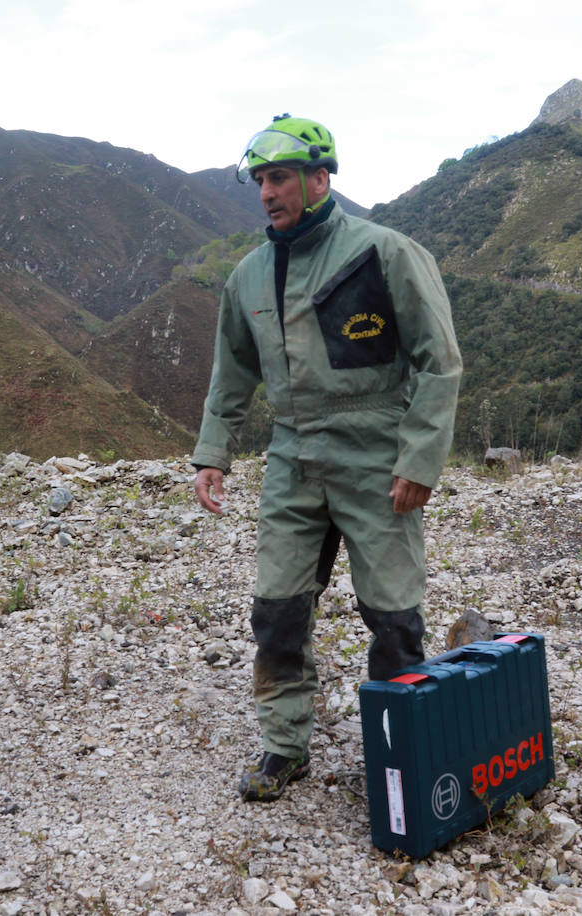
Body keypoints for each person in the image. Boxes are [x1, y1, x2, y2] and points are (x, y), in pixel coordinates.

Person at [192, 115, 462, 801]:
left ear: (320, 179)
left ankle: (401, 756)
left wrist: (419, 459)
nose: (266, 193)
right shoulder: (249, 277)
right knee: (278, 610)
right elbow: (232, 371)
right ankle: (285, 746)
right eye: (260, 180)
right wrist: (213, 452)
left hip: (375, 454)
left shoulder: (386, 253)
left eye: (279, 177)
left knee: (393, 617)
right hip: (291, 458)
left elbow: (439, 362)